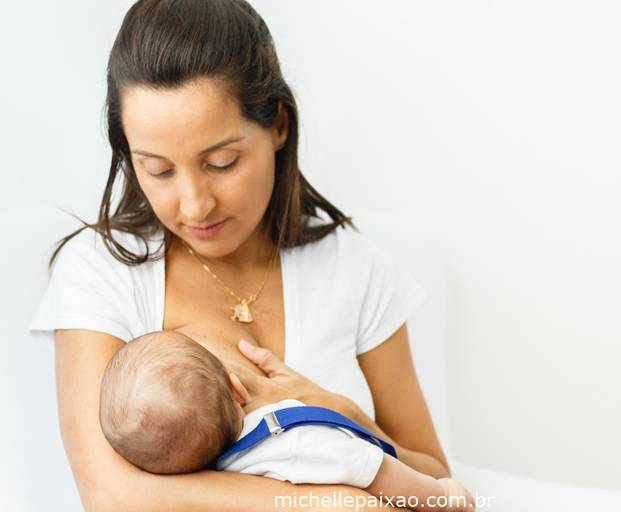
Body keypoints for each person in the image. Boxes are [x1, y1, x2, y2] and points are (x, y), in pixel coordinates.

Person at [28, 0, 459, 510]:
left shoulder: (355, 269)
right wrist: (343, 501)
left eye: (221, 162)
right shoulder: (101, 272)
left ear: (277, 125)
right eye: (158, 170)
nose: (194, 203)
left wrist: (343, 414)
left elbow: (436, 480)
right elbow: (112, 493)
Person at [98, 330, 474, 512]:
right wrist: (443, 497)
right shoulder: (296, 443)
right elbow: (374, 469)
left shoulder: (224, 481)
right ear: (237, 387)